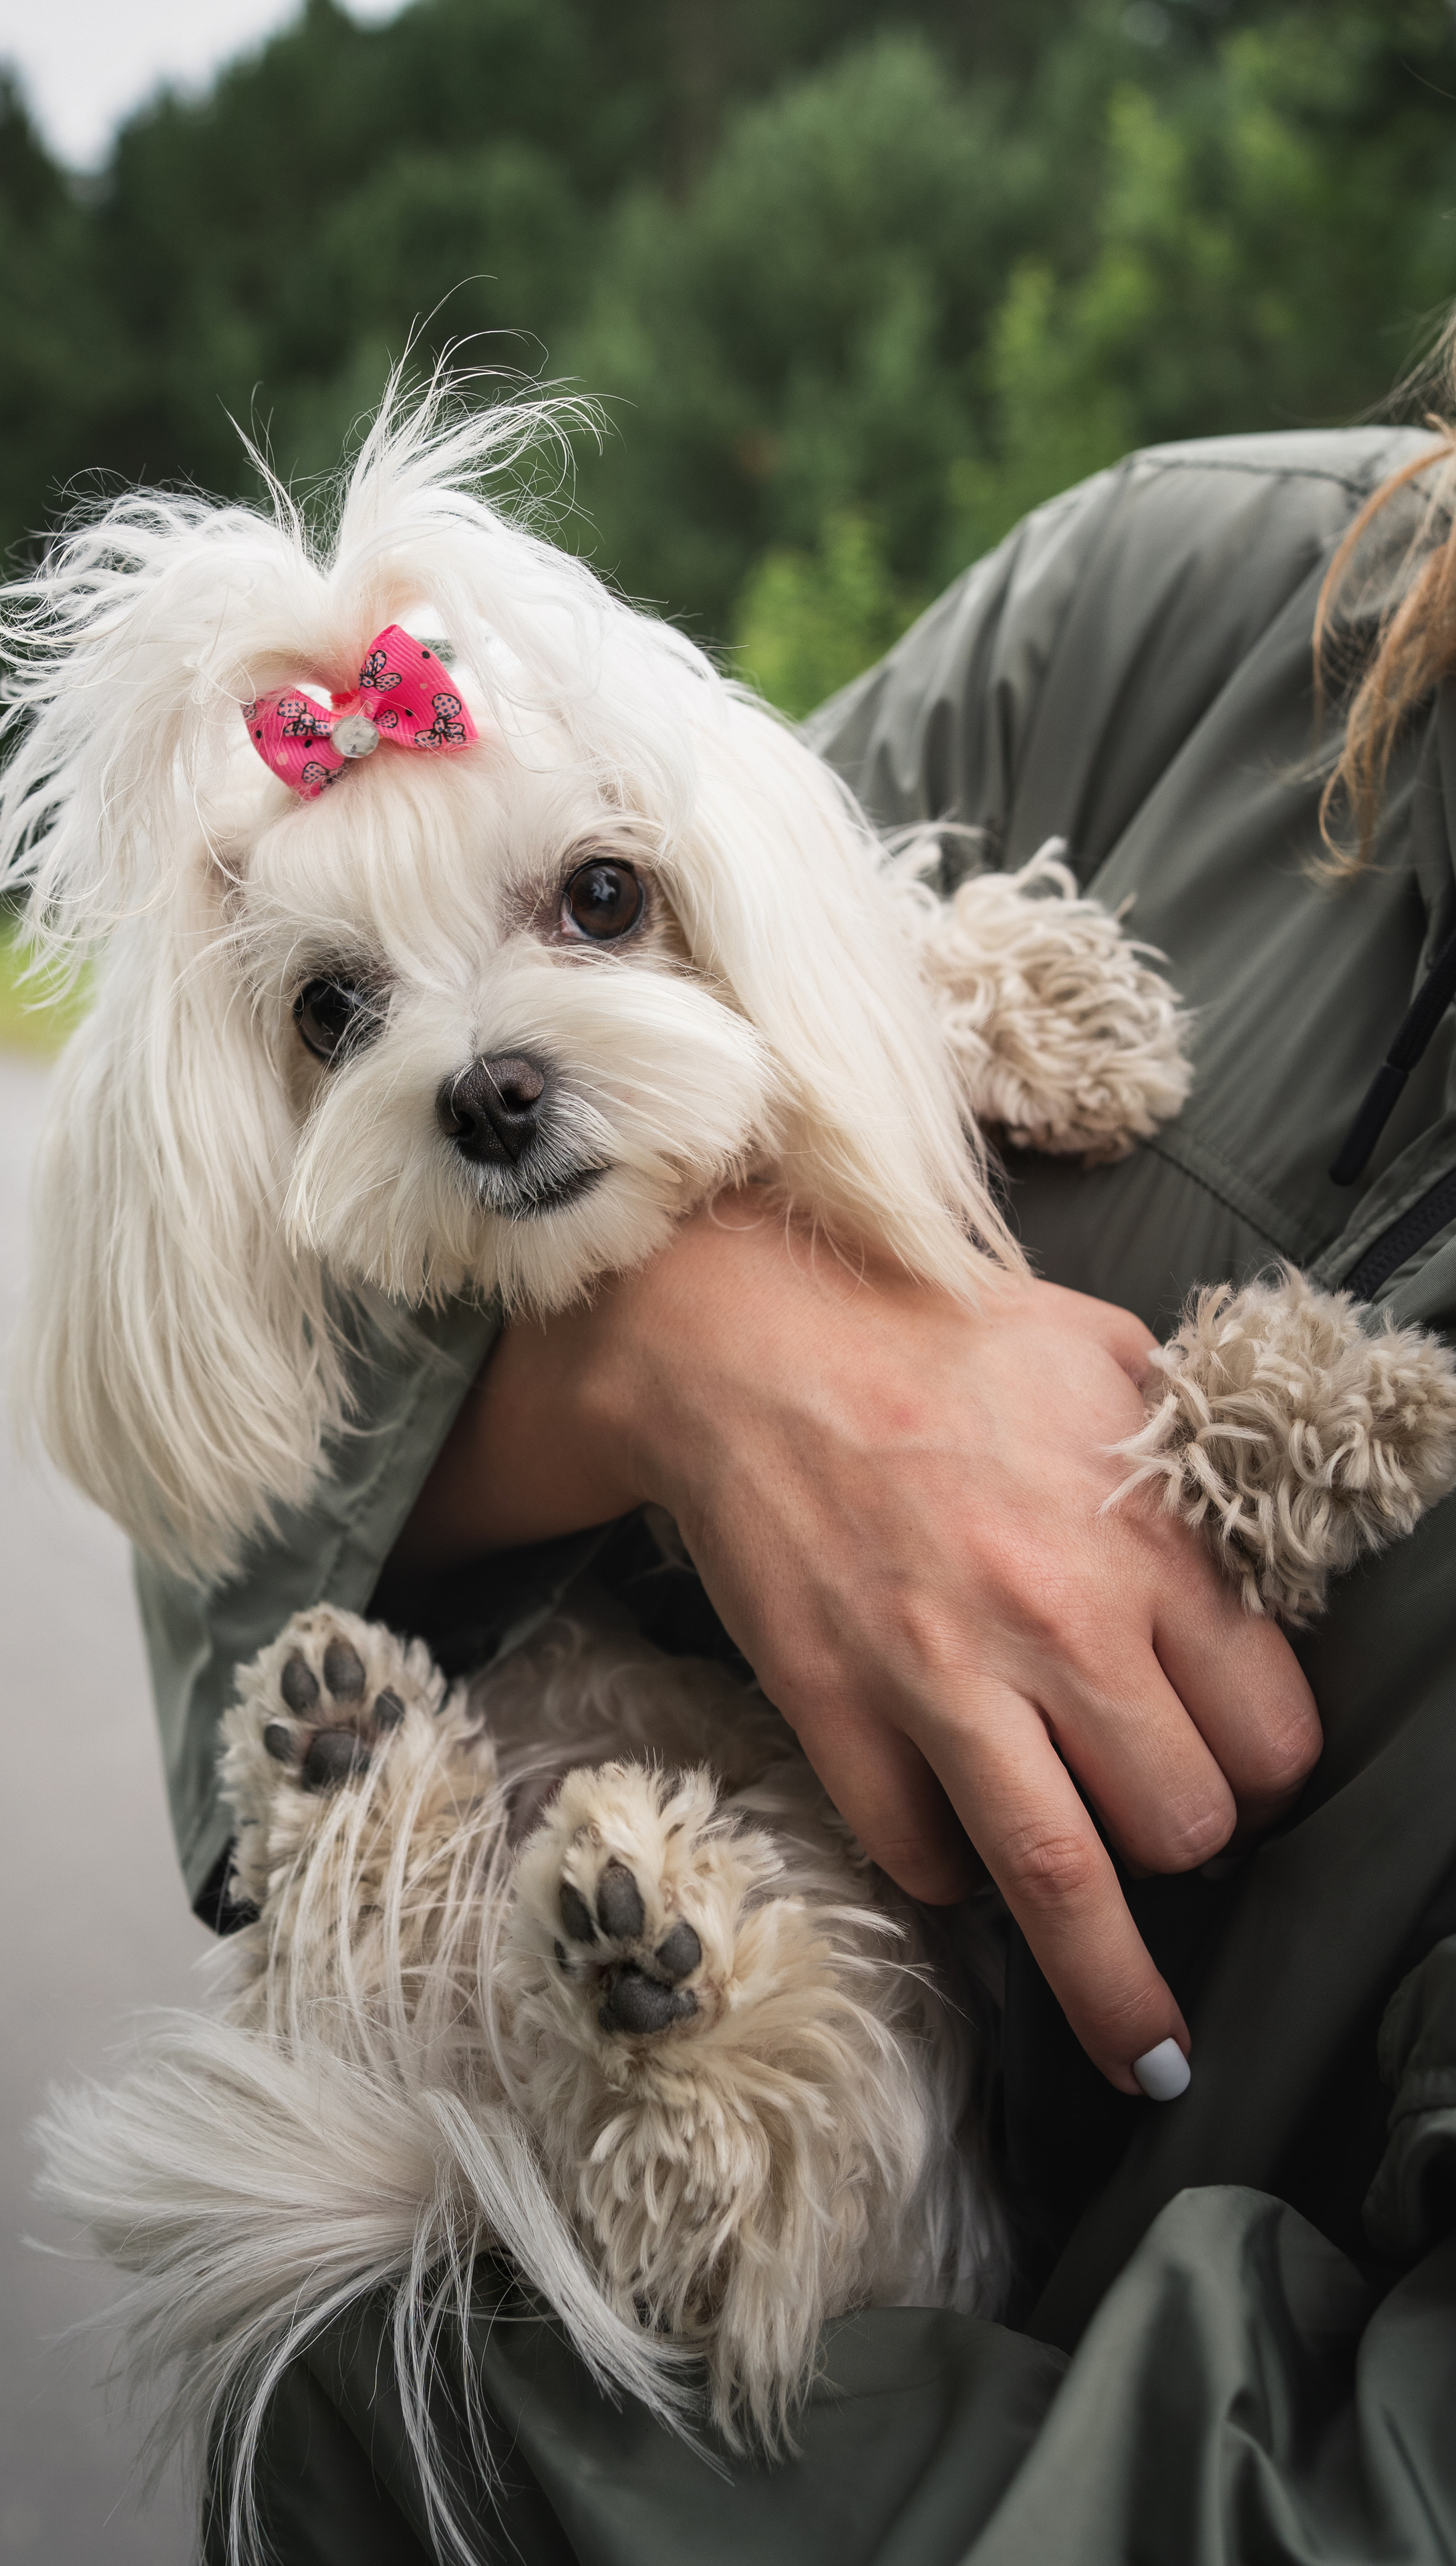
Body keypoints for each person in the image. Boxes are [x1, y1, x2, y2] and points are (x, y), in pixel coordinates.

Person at [135, 398, 1456, 2564]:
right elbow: (219, 1441)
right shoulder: (1188, 604)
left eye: (588, 901)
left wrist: (429, 2427)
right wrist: (678, 1352)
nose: (472, 1059)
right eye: (346, 1002)